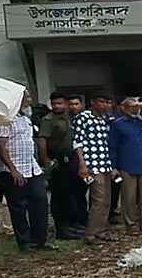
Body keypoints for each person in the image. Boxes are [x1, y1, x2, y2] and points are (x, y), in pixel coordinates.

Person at [0, 91, 53, 251]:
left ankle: (40, 240)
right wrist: (13, 169)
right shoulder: (3, 119)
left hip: (32, 168)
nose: (29, 100)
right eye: (26, 97)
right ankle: (24, 242)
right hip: (14, 170)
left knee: (40, 203)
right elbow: (0, 146)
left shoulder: (25, 118)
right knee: (18, 208)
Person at [108, 97, 142, 233]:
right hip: (126, 165)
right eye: (132, 107)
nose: (135, 110)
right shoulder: (118, 124)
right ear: (124, 108)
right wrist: (113, 166)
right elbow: (112, 146)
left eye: (137, 107)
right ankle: (130, 224)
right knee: (129, 196)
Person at [72, 93, 117, 244]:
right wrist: (82, 164)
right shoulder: (83, 117)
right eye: (101, 101)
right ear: (93, 102)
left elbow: (105, 145)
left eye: (107, 102)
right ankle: (90, 234)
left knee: (107, 200)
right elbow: (77, 142)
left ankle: (101, 230)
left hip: (105, 164)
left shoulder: (104, 119)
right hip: (91, 166)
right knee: (98, 199)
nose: (104, 105)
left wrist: (112, 166)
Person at [38, 91, 80, 239]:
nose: (56, 106)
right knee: (59, 196)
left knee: (69, 194)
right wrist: (46, 161)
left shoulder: (68, 118)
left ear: (66, 104)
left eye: (59, 103)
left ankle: (70, 225)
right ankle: (61, 229)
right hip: (56, 160)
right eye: (54, 103)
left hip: (69, 159)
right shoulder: (48, 120)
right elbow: (42, 141)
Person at [65, 95, 89, 232]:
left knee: (85, 190)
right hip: (72, 161)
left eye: (76, 104)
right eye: (71, 104)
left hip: (88, 160)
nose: (73, 106)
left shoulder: (86, 120)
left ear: (81, 105)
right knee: (74, 192)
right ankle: (77, 220)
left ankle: (85, 218)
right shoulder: (67, 120)